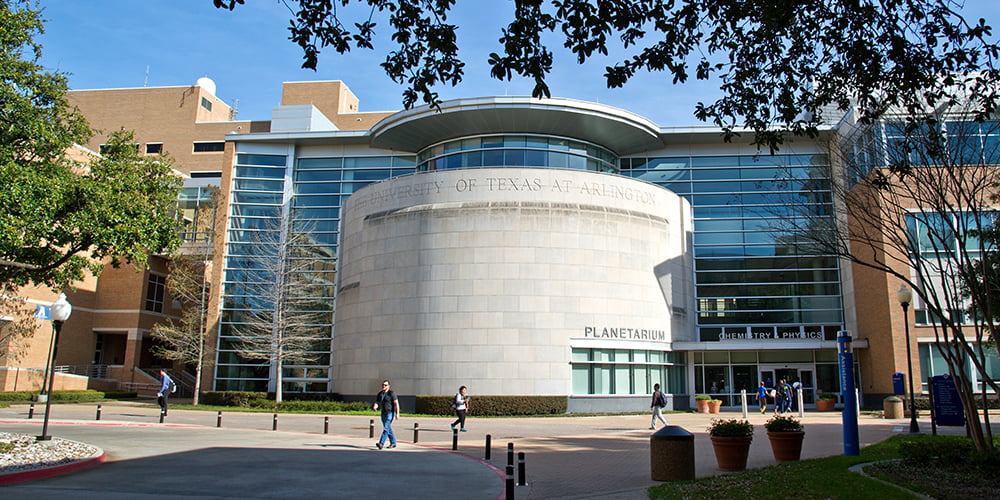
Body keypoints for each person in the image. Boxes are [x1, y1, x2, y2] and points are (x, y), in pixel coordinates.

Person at [373, 379, 400, 449]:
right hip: (383, 413)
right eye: (383, 385)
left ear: (388, 386)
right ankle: (393, 443)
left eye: (385, 385)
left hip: (390, 413)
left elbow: (396, 403)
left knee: (386, 428)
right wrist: (375, 406)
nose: (384, 386)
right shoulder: (380, 394)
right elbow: (377, 402)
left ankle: (381, 443)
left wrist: (397, 413)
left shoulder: (391, 393)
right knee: (388, 428)